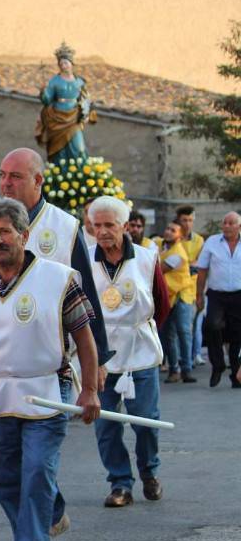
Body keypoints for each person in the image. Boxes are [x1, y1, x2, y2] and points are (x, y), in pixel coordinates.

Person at [0, 147, 112, 537]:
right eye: (2, 174)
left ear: (38, 180)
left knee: (38, 462)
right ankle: (42, 523)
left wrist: (97, 369)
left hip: (48, 364)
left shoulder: (64, 226)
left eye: (15, 176)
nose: (6, 182)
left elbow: (85, 298)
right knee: (14, 469)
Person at [87, 196, 170, 508]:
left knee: (146, 420)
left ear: (124, 225)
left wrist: (140, 331)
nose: (104, 231)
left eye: (110, 224)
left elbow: (162, 304)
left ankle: (149, 472)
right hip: (100, 354)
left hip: (140, 351)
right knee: (105, 423)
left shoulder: (147, 258)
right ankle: (120, 483)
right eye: (98, 225)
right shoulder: (84, 260)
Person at [196, 212, 241, 388]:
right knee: (212, 325)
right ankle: (218, 365)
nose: (227, 226)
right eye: (225, 223)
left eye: (231, 223)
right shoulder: (212, 242)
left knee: (238, 334)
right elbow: (202, 270)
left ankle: (236, 375)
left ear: (239, 226)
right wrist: (199, 295)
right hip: (216, 294)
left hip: (239, 295)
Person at [34, 41, 95, 164]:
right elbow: (47, 100)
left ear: (71, 64)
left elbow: (86, 98)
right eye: (61, 64)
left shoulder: (80, 81)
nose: (64, 66)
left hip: (74, 117)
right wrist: (43, 92)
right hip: (57, 117)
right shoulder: (54, 81)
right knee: (58, 151)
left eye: (66, 63)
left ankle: (81, 173)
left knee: (79, 147)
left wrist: (87, 113)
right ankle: (59, 175)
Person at [155, 222, 197, 384]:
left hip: (181, 296)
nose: (169, 232)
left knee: (183, 331)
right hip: (167, 297)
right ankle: (174, 370)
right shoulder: (161, 246)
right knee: (167, 334)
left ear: (179, 235)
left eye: (173, 230)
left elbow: (159, 269)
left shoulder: (178, 253)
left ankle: (186, 369)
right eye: (167, 228)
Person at [175, 205, 206, 366]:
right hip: (175, 289)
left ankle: (196, 354)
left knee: (195, 324)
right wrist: (188, 264)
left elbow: (199, 264)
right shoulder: (174, 237)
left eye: (190, 220)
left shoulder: (199, 240)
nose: (187, 224)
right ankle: (183, 358)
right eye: (184, 220)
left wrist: (182, 263)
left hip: (194, 288)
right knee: (181, 327)